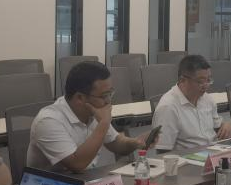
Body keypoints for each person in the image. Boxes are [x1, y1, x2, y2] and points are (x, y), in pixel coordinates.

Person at [27, 61, 158, 173]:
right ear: (80, 98)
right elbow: (77, 164)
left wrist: (136, 142)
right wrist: (104, 123)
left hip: (87, 181)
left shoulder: (94, 111)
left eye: (110, 94)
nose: (108, 101)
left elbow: (115, 143)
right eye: (104, 96)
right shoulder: (48, 121)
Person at [151, 55, 231, 150]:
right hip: (188, 156)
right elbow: (163, 150)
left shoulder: (207, 99)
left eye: (208, 80)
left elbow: (217, 126)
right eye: (200, 81)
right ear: (182, 80)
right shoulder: (168, 107)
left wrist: (226, 125)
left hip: (214, 151)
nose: (206, 86)